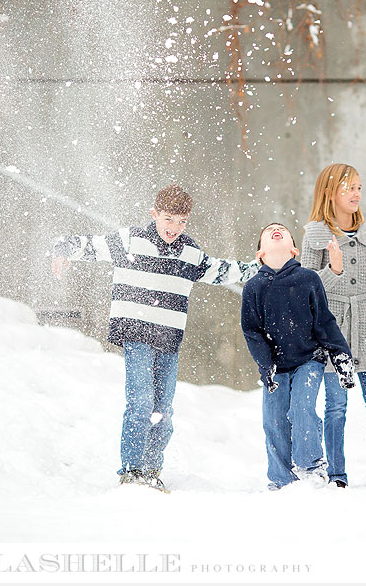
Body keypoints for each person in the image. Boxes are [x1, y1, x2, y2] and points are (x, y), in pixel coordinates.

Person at [51, 184, 259, 491]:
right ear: (154, 214)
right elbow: (90, 245)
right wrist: (62, 250)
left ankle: (150, 469)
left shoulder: (190, 252)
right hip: (137, 335)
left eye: (181, 221)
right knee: (141, 402)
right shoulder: (130, 240)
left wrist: (259, 266)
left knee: (163, 408)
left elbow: (220, 270)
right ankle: (132, 470)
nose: (174, 227)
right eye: (168, 219)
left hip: (168, 340)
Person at [300, 164, 366, 488]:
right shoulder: (315, 235)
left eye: (359, 187)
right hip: (332, 329)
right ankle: (337, 474)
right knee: (336, 407)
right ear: (330, 193)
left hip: (364, 324)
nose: (356, 193)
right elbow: (306, 287)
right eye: (349, 188)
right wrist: (334, 270)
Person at [241, 223, 356, 490]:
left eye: (282, 229)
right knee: (274, 420)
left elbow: (324, 322)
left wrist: (341, 357)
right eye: (269, 230)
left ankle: (311, 469)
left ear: (294, 249)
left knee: (301, 408)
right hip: (275, 366)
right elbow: (252, 331)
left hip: (309, 358)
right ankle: (281, 479)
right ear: (260, 253)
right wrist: (265, 364)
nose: (276, 230)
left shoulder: (308, 279)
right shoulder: (254, 287)